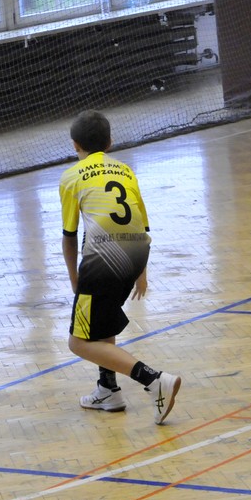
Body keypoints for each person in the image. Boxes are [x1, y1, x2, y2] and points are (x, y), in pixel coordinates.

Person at [58, 110, 181, 424]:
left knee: (78, 342)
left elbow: (69, 236)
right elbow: (142, 225)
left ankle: (153, 380)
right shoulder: (125, 170)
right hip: (137, 253)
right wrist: (141, 273)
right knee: (103, 320)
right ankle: (108, 390)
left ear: (75, 145)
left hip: (103, 260)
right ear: (110, 142)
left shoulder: (71, 177)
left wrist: (75, 279)